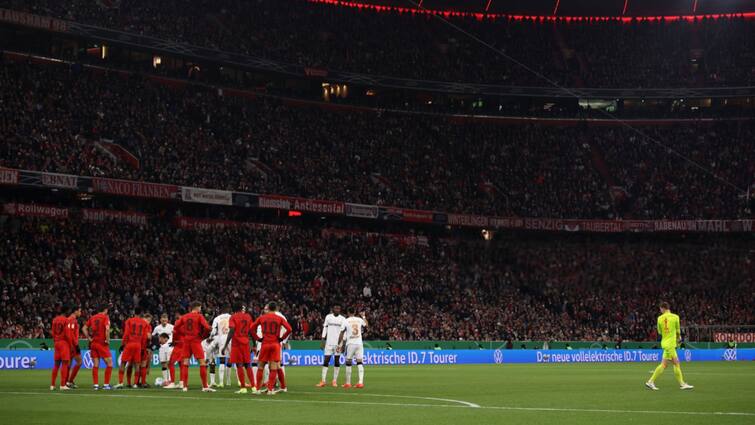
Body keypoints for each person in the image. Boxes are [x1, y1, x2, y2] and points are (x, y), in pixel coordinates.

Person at [645, 302, 694, 391]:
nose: (660, 311)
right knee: (676, 363)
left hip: (665, 343)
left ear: (663, 308)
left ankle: (651, 381)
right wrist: (678, 338)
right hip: (671, 344)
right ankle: (682, 384)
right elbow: (678, 331)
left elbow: (659, 332)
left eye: (660, 309)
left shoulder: (659, 318)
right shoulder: (676, 317)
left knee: (664, 365)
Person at [251, 302, 292, 395]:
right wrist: (281, 338)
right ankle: (270, 389)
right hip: (275, 344)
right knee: (274, 367)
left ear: (268, 308)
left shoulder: (262, 317)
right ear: (276, 308)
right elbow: (289, 329)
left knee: (261, 366)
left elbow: (251, 329)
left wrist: (258, 339)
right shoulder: (280, 318)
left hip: (265, 344)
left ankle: (257, 389)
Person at [174, 301, 213, 392]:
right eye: (200, 307)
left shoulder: (184, 316)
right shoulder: (199, 316)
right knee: (202, 363)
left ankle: (185, 387)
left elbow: (176, 326)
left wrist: (184, 334)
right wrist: (203, 335)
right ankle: (204, 386)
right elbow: (207, 327)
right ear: (197, 307)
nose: (201, 309)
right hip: (195, 341)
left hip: (186, 341)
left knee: (185, 363)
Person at [223, 302, 255, 394]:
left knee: (239, 365)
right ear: (242, 308)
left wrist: (225, 344)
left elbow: (232, 330)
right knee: (248, 364)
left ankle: (243, 388)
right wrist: (254, 344)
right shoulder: (248, 316)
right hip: (246, 343)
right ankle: (253, 387)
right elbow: (252, 331)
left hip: (236, 344)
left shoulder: (233, 317)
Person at [116, 308, 148, 389]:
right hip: (138, 345)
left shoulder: (129, 321)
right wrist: (143, 348)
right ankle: (135, 384)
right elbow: (144, 337)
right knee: (137, 364)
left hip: (129, 344)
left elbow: (126, 333)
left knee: (123, 362)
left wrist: (123, 344)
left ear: (134, 312)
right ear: (141, 314)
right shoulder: (144, 323)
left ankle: (120, 382)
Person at [83, 305, 113, 390]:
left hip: (93, 343)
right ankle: (106, 385)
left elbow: (84, 328)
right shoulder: (105, 317)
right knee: (110, 363)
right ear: (105, 310)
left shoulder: (92, 317)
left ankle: (95, 385)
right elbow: (107, 329)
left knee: (96, 364)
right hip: (102, 343)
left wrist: (89, 338)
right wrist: (107, 340)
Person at [337, 308, 367, 389]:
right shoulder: (359, 319)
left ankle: (348, 383)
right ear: (354, 312)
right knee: (360, 362)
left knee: (348, 362)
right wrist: (363, 316)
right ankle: (360, 382)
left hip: (350, 344)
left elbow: (342, 333)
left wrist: (338, 344)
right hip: (359, 344)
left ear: (348, 312)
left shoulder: (346, 321)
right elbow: (366, 325)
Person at [317, 304, 346, 387]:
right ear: (333, 308)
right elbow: (325, 328)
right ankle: (323, 381)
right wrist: (323, 339)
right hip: (329, 343)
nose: (337, 309)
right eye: (336, 308)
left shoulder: (342, 319)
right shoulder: (328, 317)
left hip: (338, 344)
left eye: (339, 308)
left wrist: (343, 344)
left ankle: (334, 381)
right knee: (326, 360)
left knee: (337, 361)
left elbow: (344, 332)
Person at [50, 305, 72, 390]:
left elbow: (53, 332)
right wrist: (70, 345)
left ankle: (52, 385)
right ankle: (63, 385)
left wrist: (55, 341)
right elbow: (67, 334)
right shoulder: (66, 320)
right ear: (66, 312)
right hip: (64, 343)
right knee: (65, 364)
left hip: (56, 343)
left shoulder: (54, 320)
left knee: (56, 365)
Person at [210, 306, 232, 388]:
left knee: (222, 361)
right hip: (231, 338)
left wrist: (211, 338)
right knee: (231, 359)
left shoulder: (217, 318)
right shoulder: (231, 317)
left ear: (220, 311)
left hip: (221, 339)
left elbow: (213, 331)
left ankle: (221, 382)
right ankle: (229, 381)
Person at [152, 313, 174, 386]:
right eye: (163, 318)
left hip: (170, 348)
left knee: (170, 363)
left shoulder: (171, 327)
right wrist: (156, 343)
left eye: (165, 318)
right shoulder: (157, 328)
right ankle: (165, 380)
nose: (164, 319)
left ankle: (171, 380)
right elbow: (153, 336)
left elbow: (177, 335)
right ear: (160, 319)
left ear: (168, 319)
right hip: (161, 348)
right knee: (163, 364)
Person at [164, 311, 184, 389]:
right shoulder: (185, 322)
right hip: (184, 344)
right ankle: (181, 382)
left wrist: (173, 341)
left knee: (171, 363)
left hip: (179, 345)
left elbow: (175, 333)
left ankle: (172, 382)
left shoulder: (178, 322)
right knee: (181, 364)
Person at [66, 305, 83, 388]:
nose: (80, 313)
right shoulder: (72, 320)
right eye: (79, 311)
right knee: (79, 362)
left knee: (69, 363)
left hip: (69, 344)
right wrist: (76, 345)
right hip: (72, 345)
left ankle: (67, 381)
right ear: (75, 311)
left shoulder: (69, 319)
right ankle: (69, 381)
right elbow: (71, 334)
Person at [137, 313, 153, 387]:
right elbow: (149, 337)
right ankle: (142, 382)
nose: (148, 321)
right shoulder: (148, 326)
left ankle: (136, 382)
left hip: (136, 346)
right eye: (148, 320)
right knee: (143, 365)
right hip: (143, 347)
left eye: (149, 320)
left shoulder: (138, 324)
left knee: (137, 365)